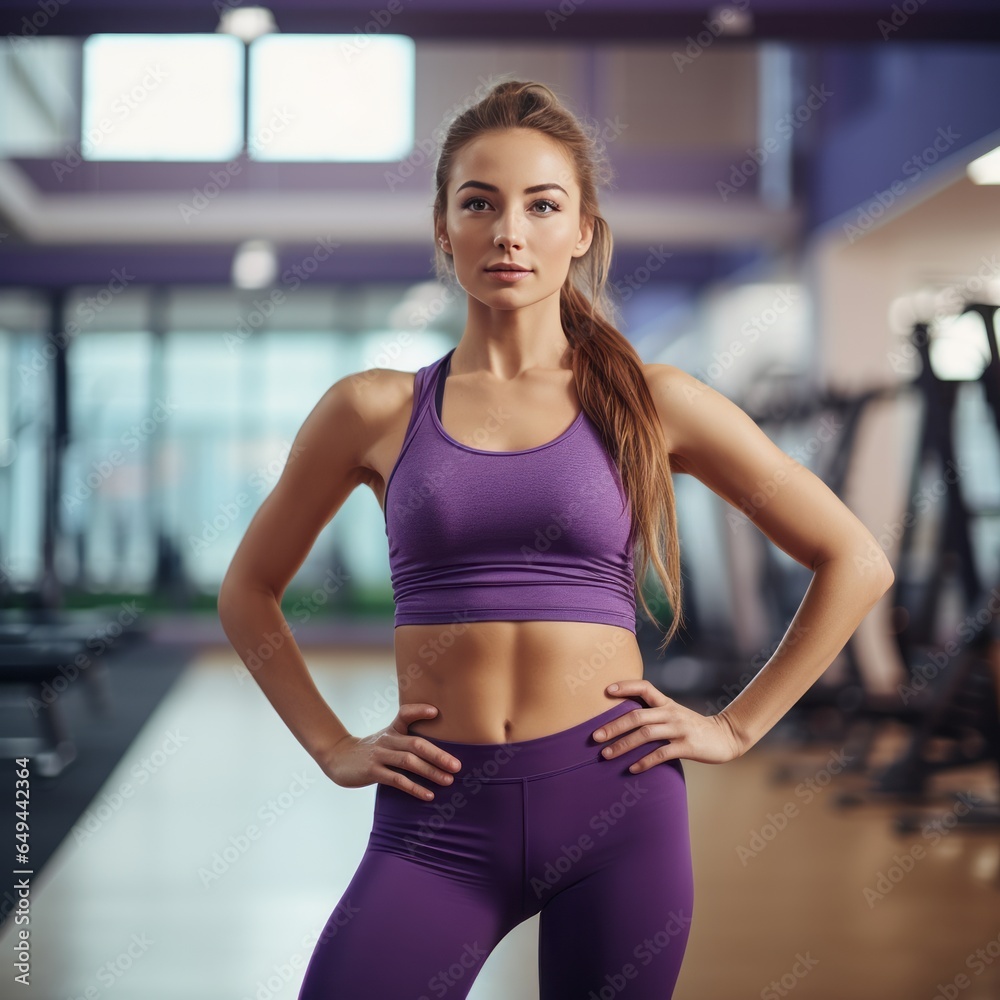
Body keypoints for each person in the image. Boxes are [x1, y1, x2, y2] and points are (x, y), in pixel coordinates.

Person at [217, 78, 895, 999]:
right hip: (435, 820)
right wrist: (334, 745)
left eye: (542, 206)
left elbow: (853, 558)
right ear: (442, 226)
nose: (509, 233)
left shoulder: (655, 402)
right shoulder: (369, 410)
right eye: (479, 203)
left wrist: (736, 727)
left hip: (616, 805)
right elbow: (248, 590)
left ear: (581, 229)